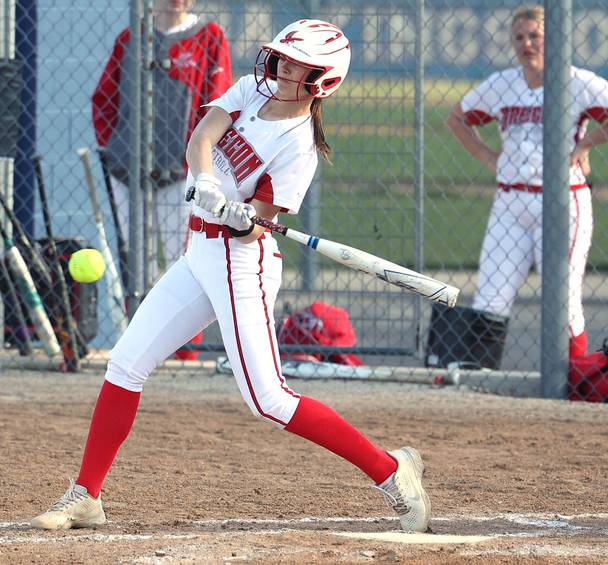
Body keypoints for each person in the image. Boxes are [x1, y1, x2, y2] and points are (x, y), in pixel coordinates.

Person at [32, 19, 430, 533]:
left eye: (298, 65)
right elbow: (203, 136)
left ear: (322, 80)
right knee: (126, 364)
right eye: (283, 57)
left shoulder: (299, 147)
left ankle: (392, 471)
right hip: (199, 250)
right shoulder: (250, 89)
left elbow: (254, 228)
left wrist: (241, 216)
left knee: (269, 400)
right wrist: (205, 182)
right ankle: (86, 494)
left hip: (241, 263)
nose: (283, 67)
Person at [446, 5, 608, 360]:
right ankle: (479, 379)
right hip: (509, 204)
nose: (526, 43)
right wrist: (489, 157)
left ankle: (574, 380)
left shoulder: (576, 82)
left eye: (535, 35)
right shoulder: (503, 84)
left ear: (552, 38)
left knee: (563, 299)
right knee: (490, 295)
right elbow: (457, 118)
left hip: (563, 201)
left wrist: (585, 144)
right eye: (519, 37)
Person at [92, 0, 232, 360]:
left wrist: (200, 158)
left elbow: (218, 102)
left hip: (179, 171)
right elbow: (103, 99)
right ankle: (139, 346)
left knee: (183, 257)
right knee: (136, 260)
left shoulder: (208, 37)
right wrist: (115, 148)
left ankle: (185, 352)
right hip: (129, 170)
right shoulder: (132, 37)